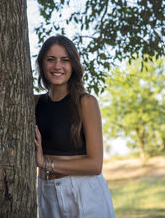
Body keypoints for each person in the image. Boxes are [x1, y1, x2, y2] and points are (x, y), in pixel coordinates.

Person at [34, 35, 115, 218]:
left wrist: (44, 163)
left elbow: (95, 165)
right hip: (47, 192)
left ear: (73, 65)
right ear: (42, 64)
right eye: (50, 60)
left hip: (83, 191)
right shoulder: (34, 102)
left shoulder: (86, 103)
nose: (57, 66)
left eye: (65, 60)